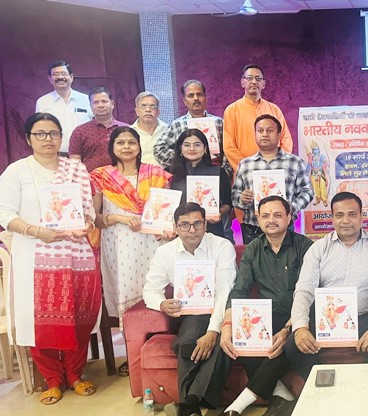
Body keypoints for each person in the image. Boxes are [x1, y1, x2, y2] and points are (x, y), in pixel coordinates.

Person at [0, 113, 100, 404]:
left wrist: (88, 222)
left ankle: (76, 374)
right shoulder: (17, 171)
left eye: (53, 133)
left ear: (61, 137)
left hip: (75, 252)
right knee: (40, 318)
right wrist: (37, 231)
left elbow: (88, 211)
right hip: (34, 255)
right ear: (28, 138)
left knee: (77, 313)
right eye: (40, 134)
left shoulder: (76, 169)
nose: (48, 139)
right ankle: (53, 379)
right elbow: (5, 214)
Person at [284, 192, 368, 379]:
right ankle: (320, 391)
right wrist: (300, 328)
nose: (346, 221)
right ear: (332, 218)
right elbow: (304, 290)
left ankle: (367, 392)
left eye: (352, 214)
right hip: (327, 320)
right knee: (293, 347)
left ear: (361, 216)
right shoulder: (318, 249)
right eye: (339, 215)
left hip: (364, 317)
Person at [219, 196, 314, 416]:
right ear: (258, 219)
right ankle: (281, 395)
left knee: (289, 344)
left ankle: (236, 407)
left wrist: (288, 329)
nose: (271, 220)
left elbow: (309, 293)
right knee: (242, 337)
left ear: (289, 217)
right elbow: (240, 290)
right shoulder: (253, 249)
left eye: (278, 215)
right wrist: (227, 326)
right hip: (266, 317)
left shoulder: (305, 247)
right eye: (266, 215)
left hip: (300, 316)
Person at [90, 127, 172, 375]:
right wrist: (119, 218)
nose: (126, 147)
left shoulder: (156, 175)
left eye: (131, 142)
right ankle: (133, 355)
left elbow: (166, 211)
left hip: (152, 243)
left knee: (156, 290)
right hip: (119, 245)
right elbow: (95, 219)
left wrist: (166, 228)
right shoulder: (102, 177)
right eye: (120, 142)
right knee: (128, 296)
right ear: (112, 147)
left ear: (139, 146)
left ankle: (160, 350)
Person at [142, 203, 236, 416]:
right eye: (185, 225)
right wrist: (161, 304)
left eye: (197, 224)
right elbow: (150, 290)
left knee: (222, 343)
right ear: (175, 227)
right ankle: (191, 405)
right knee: (188, 340)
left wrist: (213, 331)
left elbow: (224, 292)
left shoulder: (222, 246)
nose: (192, 230)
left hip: (222, 309)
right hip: (190, 314)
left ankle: (188, 405)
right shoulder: (165, 252)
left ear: (206, 225)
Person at [231, 114, 313, 244]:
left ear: (279, 134)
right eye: (260, 130)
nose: (264, 134)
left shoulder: (294, 162)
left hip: (285, 227)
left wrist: (291, 207)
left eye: (270, 130)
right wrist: (242, 199)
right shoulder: (245, 164)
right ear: (255, 134)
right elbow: (235, 194)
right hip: (253, 229)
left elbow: (307, 191)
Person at [223, 64, 292, 173]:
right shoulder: (232, 110)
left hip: (274, 172)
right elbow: (229, 147)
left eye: (258, 78)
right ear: (242, 82)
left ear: (263, 84)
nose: (254, 82)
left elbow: (286, 139)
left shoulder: (274, 109)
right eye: (249, 78)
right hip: (245, 173)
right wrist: (247, 169)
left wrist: (278, 164)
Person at [154, 80, 230, 175]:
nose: (196, 98)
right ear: (184, 101)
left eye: (199, 94)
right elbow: (159, 149)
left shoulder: (219, 123)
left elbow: (229, 149)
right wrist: (181, 159)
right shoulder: (177, 125)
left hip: (215, 174)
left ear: (205, 98)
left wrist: (224, 172)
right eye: (191, 95)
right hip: (186, 176)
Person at [169, 129, 233, 241]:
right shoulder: (170, 173)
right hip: (181, 231)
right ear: (180, 149)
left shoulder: (219, 172)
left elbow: (228, 204)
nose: (192, 149)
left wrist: (219, 212)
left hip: (211, 229)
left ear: (205, 148)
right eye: (187, 145)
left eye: (197, 145)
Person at [35, 60, 92, 154]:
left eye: (63, 73)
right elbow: (39, 131)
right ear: (50, 79)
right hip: (55, 155)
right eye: (55, 74)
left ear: (71, 77)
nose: (60, 77)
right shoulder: (42, 102)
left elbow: (95, 125)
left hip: (86, 154)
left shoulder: (86, 99)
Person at [69, 86, 129, 173]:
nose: (100, 105)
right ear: (90, 106)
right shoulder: (79, 131)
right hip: (90, 179)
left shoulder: (126, 129)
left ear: (112, 104)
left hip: (122, 178)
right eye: (96, 102)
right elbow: (75, 163)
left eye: (104, 101)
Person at [131, 92, 169, 166]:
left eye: (152, 106)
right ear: (137, 111)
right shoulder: (130, 132)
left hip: (166, 172)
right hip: (139, 172)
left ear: (158, 111)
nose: (148, 110)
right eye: (143, 106)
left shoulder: (168, 130)